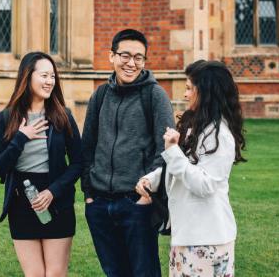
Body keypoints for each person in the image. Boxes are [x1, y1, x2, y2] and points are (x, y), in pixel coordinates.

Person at [136, 60, 246, 277]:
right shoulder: (197, 126)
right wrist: (153, 178)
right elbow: (182, 167)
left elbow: (204, 184)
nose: (185, 95)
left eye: (189, 88)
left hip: (207, 238)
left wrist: (173, 150)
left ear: (205, 92)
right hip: (186, 234)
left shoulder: (220, 135)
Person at [81, 29, 175, 277]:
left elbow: (166, 150)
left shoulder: (155, 96)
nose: (131, 63)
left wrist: (147, 193)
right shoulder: (100, 95)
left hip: (136, 204)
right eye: (125, 55)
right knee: (115, 273)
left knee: (144, 273)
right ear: (111, 56)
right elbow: (87, 147)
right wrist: (89, 194)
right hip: (99, 204)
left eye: (139, 57)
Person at [0, 51, 82, 277]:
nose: (50, 81)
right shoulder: (6, 118)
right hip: (22, 202)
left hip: (57, 202)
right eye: (44, 75)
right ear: (27, 76)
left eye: (52, 76)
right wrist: (21, 137)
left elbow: (79, 162)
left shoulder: (63, 116)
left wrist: (53, 191)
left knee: (54, 274)